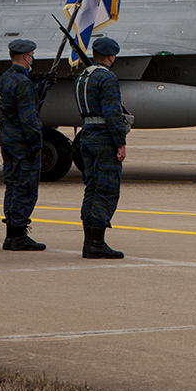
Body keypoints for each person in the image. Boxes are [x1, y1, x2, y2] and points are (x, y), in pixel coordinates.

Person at [75, 36, 129, 259]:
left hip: (87, 134)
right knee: (106, 190)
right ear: (111, 56)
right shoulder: (107, 79)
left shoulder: (83, 77)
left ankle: (90, 240)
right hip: (103, 138)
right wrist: (120, 142)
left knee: (92, 188)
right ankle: (96, 243)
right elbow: (113, 114)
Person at [0, 38, 46, 251]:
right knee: (25, 188)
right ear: (26, 57)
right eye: (32, 55)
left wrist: (41, 87)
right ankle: (18, 234)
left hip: (7, 138)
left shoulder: (6, 78)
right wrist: (36, 143)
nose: (32, 59)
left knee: (13, 186)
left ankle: (12, 234)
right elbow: (28, 117)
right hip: (22, 142)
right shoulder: (23, 82)